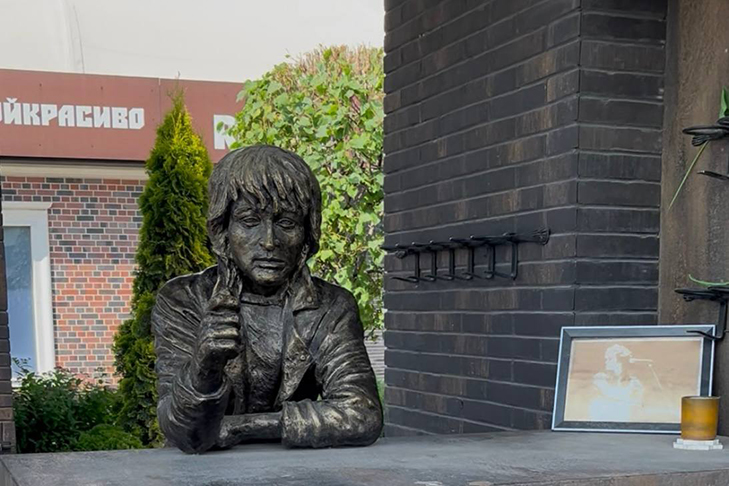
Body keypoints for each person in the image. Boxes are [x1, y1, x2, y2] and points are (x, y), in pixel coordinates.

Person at [152, 145, 383, 453]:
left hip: (293, 468)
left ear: (307, 232)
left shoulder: (331, 307)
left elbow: (362, 414)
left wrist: (244, 427)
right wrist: (203, 367)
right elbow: (185, 434)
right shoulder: (185, 301)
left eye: (286, 223)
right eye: (249, 221)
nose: (269, 242)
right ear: (223, 229)